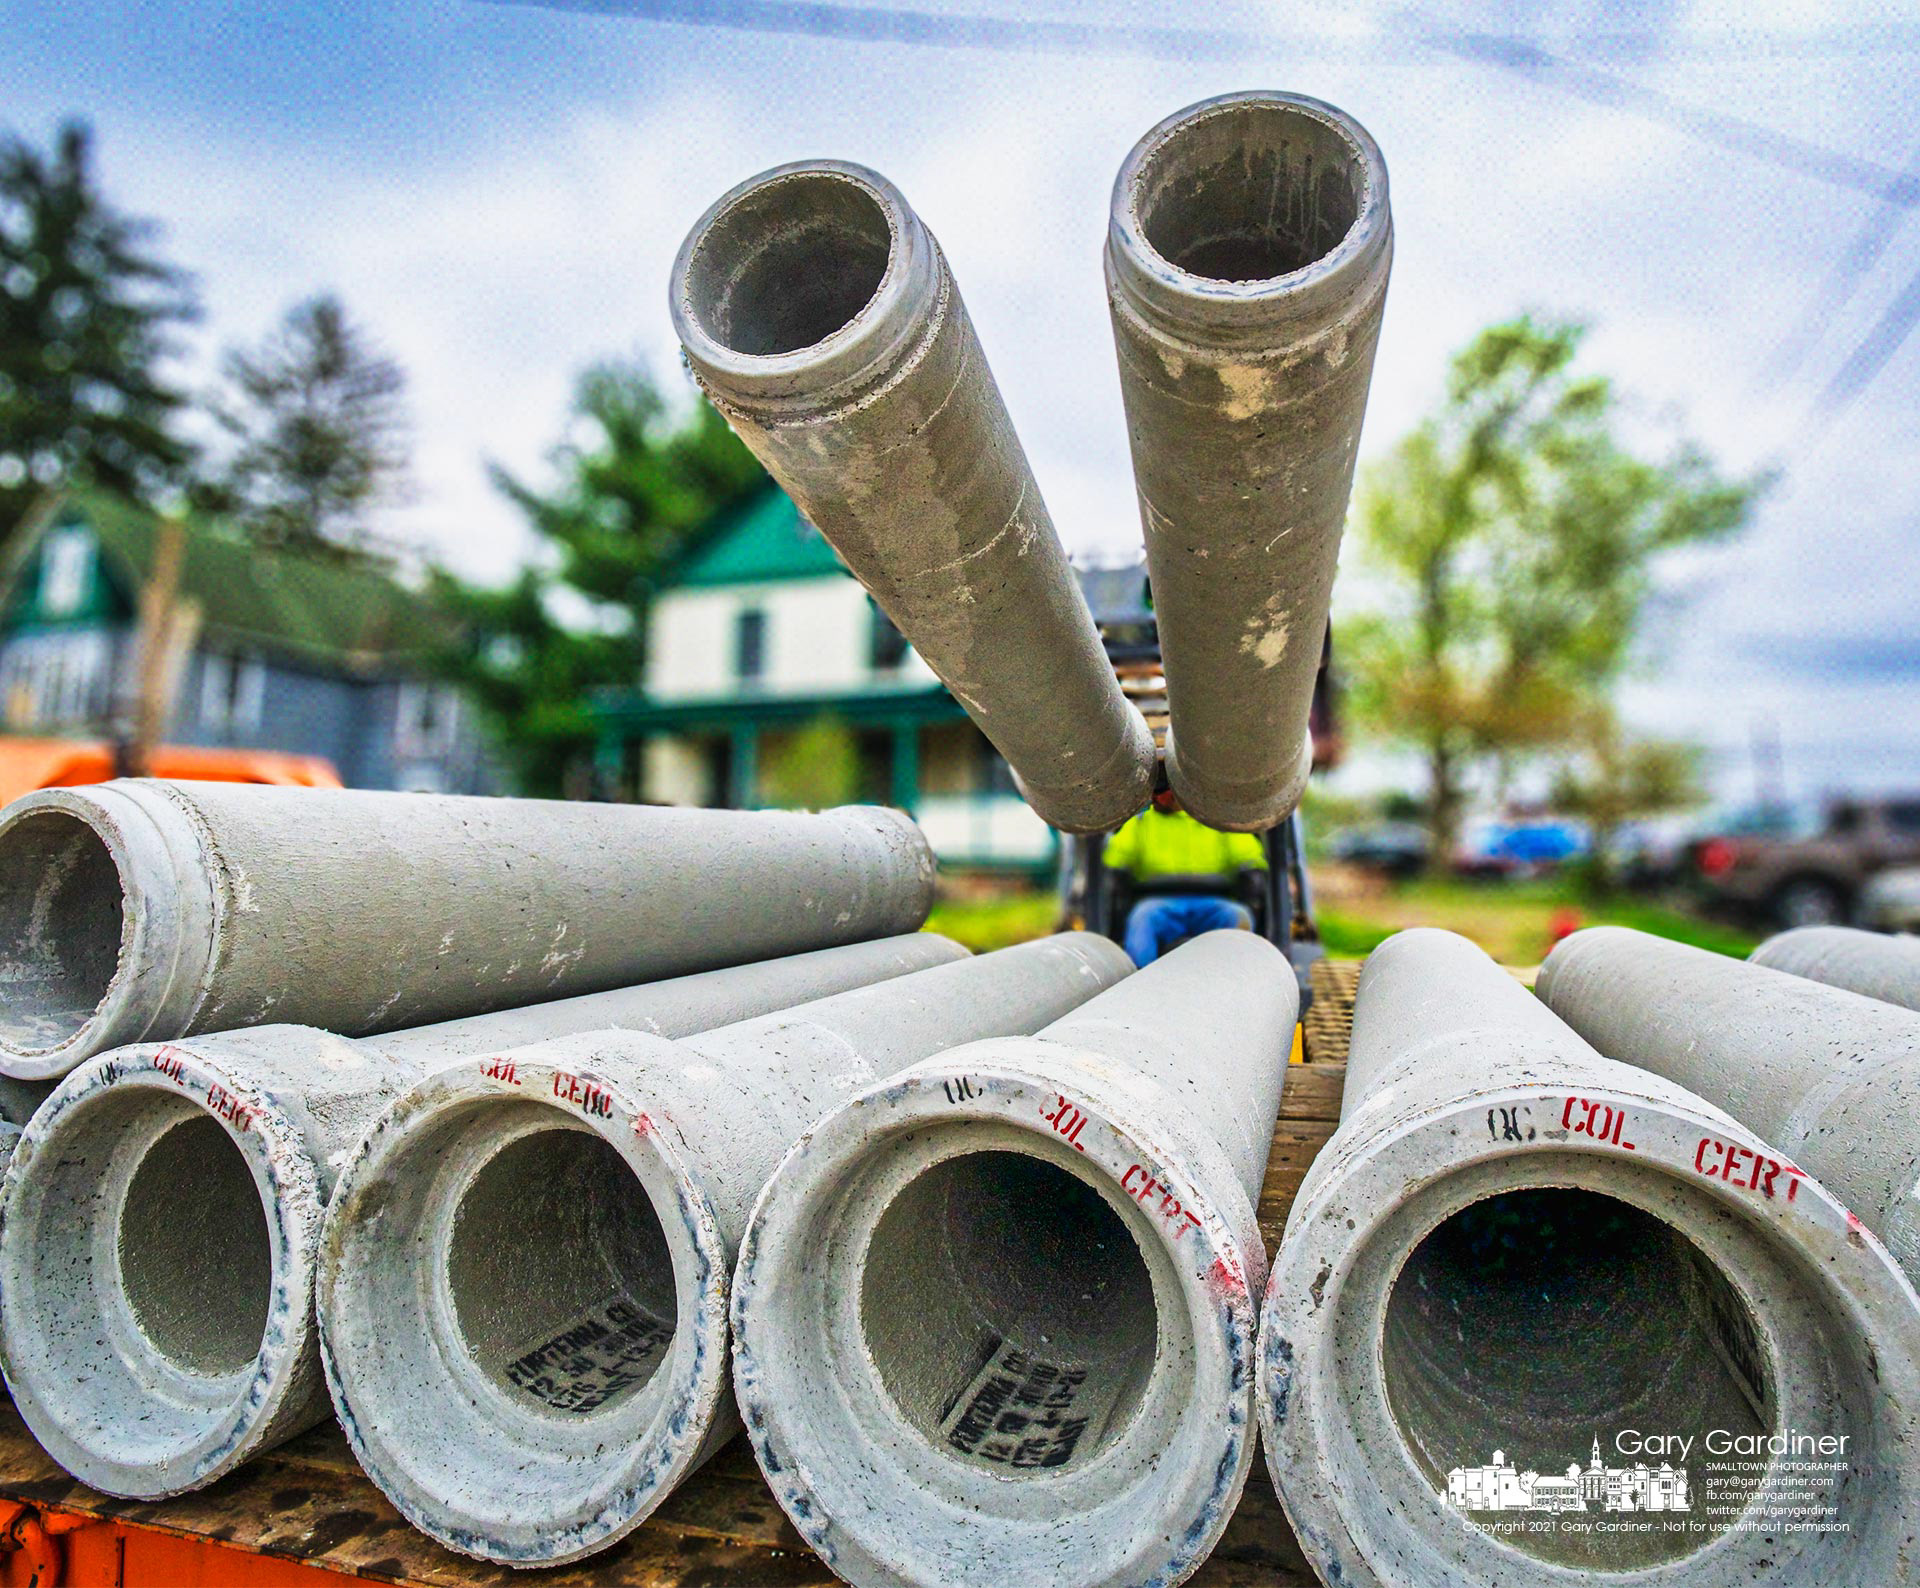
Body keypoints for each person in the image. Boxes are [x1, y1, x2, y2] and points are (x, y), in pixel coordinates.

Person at [1103, 790, 1268, 966]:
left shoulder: (1220, 822)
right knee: (1142, 918)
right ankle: (1138, 978)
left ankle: (1237, 974)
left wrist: (1251, 874)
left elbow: (1248, 857)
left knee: (1237, 915)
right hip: (1160, 904)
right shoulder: (1142, 822)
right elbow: (1116, 859)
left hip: (1211, 904)